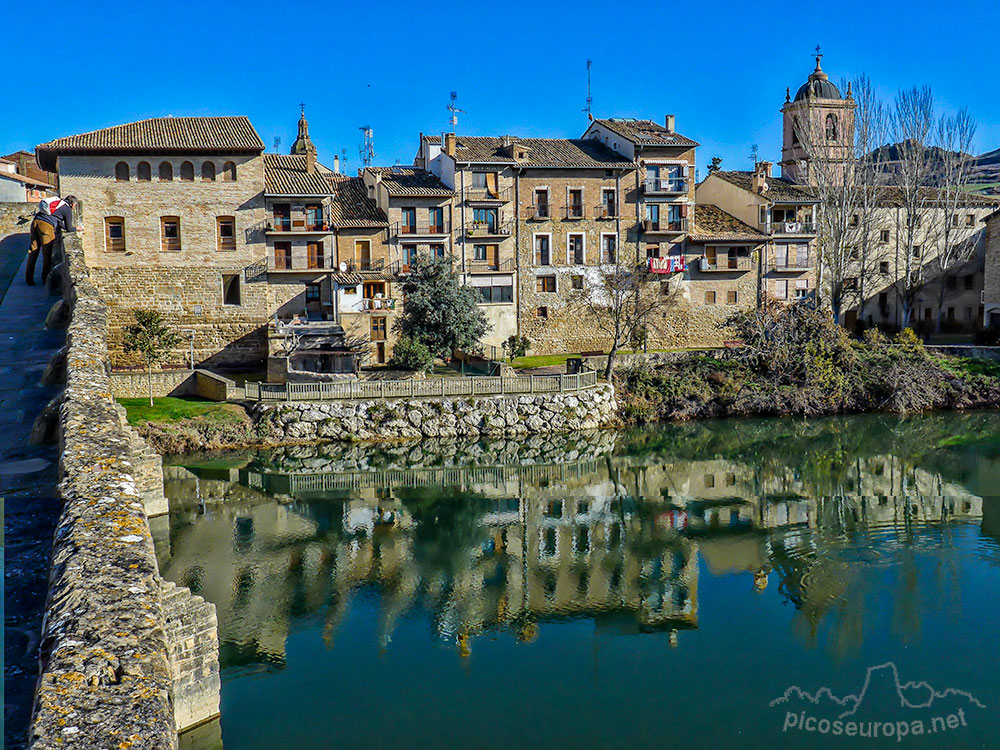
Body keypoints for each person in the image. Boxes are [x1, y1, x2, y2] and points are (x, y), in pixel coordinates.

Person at [26, 195, 78, 286]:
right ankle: (45, 279)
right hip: (46, 226)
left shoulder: (58, 204)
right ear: (72, 204)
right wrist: (76, 228)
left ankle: (29, 278)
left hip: (36, 221)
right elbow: (69, 228)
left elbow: (60, 222)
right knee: (47, 253)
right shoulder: (67, 209)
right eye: (75, 205)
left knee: (33, 251)